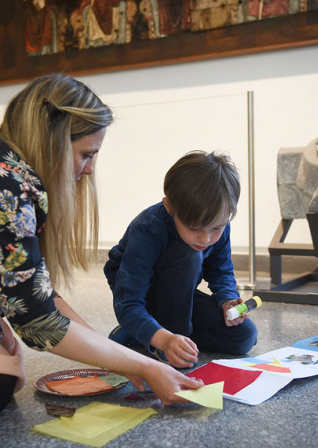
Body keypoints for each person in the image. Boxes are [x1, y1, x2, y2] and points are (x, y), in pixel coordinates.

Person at [0, 73, 203, 412]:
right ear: (53, 142)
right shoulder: (11, 189)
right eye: (86, 154)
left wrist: (118, 359)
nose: (90, 169)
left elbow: (37, 293)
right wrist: (144, 365)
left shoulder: (16, 175)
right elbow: (38, 321)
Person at [104, 151, 258, 369]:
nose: (206, 238)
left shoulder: (220, 226)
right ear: (169, 207)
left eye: (216, 227)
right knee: (190, 255)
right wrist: (167, 340)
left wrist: (227, 300)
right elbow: (127, 303)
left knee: (245, 336)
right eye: (194, 228)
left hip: (179, 298)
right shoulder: (147, 229)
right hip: (141, 294)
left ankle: (144, 334)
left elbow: (221, 271)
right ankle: (161, 336)